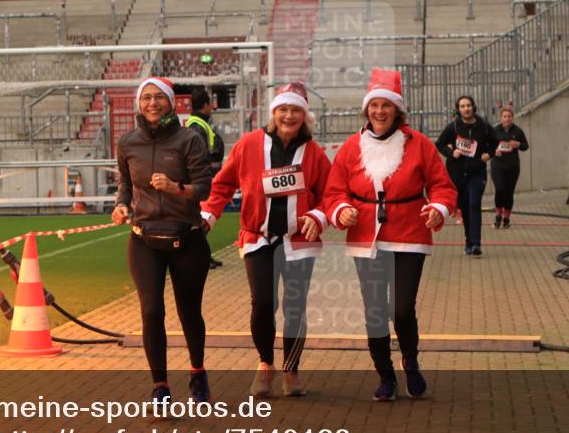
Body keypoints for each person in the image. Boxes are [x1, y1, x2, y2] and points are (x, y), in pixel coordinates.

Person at [323, 69, 457, 402]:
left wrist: (438, 208)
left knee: (401, 309)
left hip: (409, 235)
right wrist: (341, 210)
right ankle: (385, 375)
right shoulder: (351, 147)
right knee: (374, 311)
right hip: (365, 238)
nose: (380, 111)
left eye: (386, 105)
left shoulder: (420, 145)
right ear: (366, 110)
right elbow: (334, 191)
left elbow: (442, 186)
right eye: (374, 105)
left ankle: (410, 362)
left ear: (397, 110)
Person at [201, 82, 331, 397]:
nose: (289, 116)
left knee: (295, 306)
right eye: (283, 109)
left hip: (298, 240)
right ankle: (265, 362)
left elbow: (331, 194)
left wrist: (318, 216)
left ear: (304, 116)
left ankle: (291, 368)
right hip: (258, 237)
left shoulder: (314, 153)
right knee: (262, 303)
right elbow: (222, 184)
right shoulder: (249, 144)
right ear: (274, 113)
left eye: (296, 110)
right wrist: (208, 215)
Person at [111, 77, 214, 404]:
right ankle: (160, 386)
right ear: (138, 104)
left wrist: (175, 188)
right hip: (144, 239)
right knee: (151, 311)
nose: (152, 103)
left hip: (187, 238)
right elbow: (125, 184)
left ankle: (197, 372)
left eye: (159, 97)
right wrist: (121, 205)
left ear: (171, 102)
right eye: (146, 98)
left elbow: (204, 188)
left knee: (189, 312)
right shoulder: (128, 142)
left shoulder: (189, 139)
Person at [434, 95, 495, 257]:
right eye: (462, 106)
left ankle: (476, 243)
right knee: (465, 207)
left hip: (477, 172)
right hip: (457, 173)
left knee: (474, 204)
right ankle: (469, 240)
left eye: (468, 105)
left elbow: (495, 142)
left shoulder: (484, 126)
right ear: (458, 109)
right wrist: (451, 152)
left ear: (473, 107)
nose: (466, 109)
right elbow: (439, 144)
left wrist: (488, 154)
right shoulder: (453, 126)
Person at [185, 88, 226, 269]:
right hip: (202, 179)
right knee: (202, 219)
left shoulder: (199, 123)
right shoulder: (197, 126)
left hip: (205, 177)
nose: (212, 107)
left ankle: (204, 256)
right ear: (205, 105)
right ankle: (198, 258)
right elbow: (199, 154)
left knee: (204, 219)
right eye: (210, 104)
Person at [490, 105, 530, 229]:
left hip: (512, 166)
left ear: (512, 118)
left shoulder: (517, 131)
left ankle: (506, 218)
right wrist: (493, 150)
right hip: (497, 166)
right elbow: (486, 145)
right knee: (500, 190)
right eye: (504, 116)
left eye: (509, 116)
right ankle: (498, 215)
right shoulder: (495, 130)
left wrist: (518, 144)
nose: (507, 119)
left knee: (509, 192)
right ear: (501, 118)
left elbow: (525, 146)